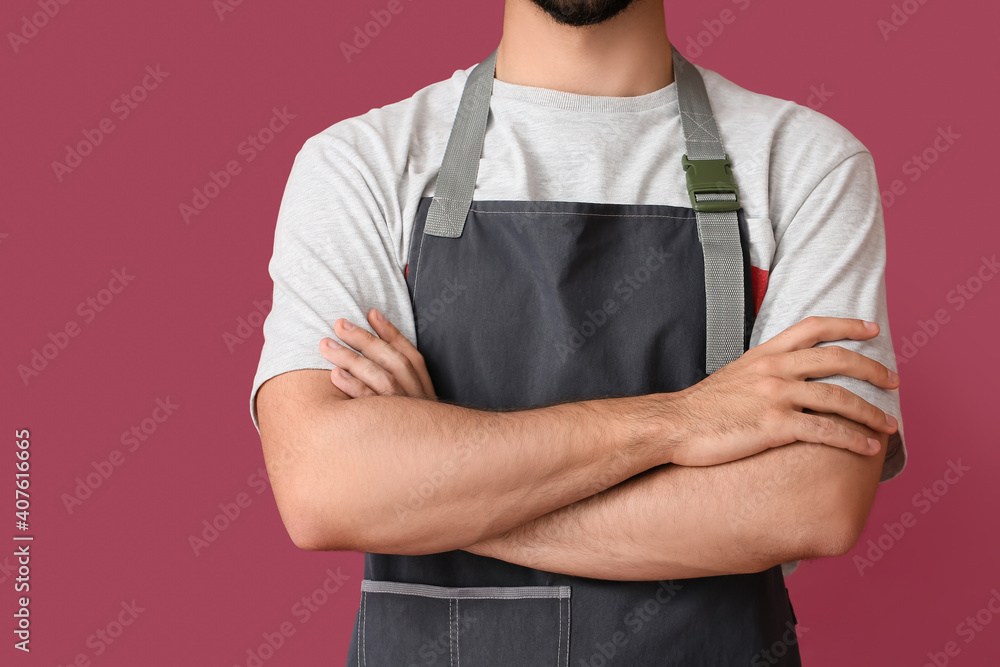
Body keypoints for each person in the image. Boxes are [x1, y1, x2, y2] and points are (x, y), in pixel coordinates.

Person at [251, 0, 907, 664]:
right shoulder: (358, 167)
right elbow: (320, 487)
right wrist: (681, 419)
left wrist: (427, 497)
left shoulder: (805, 165)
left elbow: (811, 503)